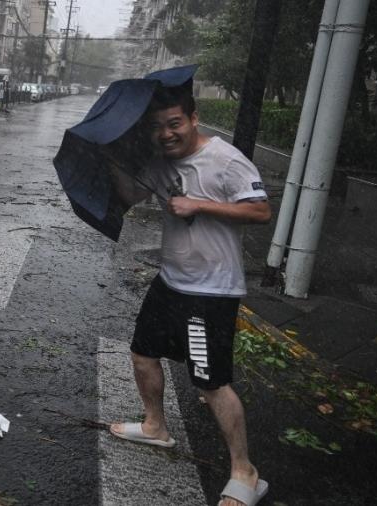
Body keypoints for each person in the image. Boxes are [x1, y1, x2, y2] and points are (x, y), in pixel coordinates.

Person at [108, 84, 271, 506]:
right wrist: (117, 165)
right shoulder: (161, 163)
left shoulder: (224, 159)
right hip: (171, 281)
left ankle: (245, 471)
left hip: (211, 291)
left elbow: (259, 210)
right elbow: (130, 196)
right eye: (158, 126)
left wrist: (199, 204)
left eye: (174, 123)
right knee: (143, 354)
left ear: (193, 119)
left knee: (210, 382)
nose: (166, 133)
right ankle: (155, 426)